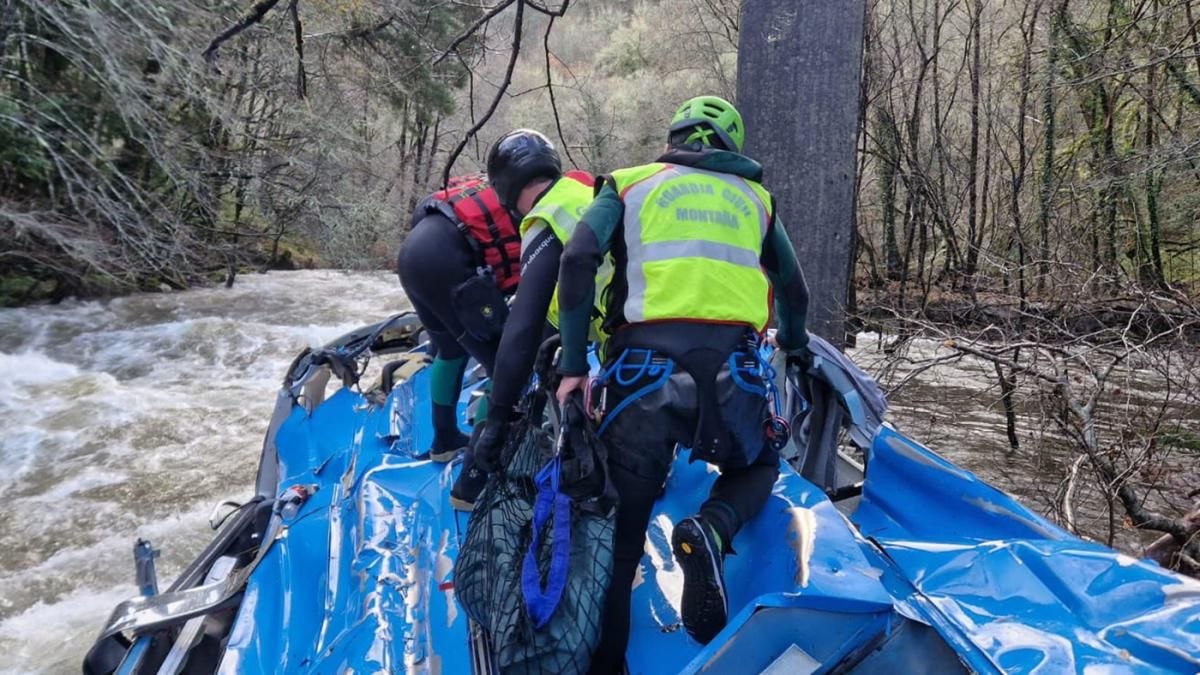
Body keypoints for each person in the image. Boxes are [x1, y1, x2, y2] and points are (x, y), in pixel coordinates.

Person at [553, 95, 811, 672]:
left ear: (673, 138)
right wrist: (793, 344)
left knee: (622, 541)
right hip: (732, 375)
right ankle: (712, 528)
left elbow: (577, 259)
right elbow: (793, 293)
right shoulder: (757, 199)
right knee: (758, 467)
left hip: (641, 379)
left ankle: (607, 665)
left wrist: (574, 364)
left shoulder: (627, 183)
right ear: (732, 147)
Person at [470, 129, 606, 474]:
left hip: (629, 343)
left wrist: (498, 417)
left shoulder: (546, 216)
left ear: (504, 188)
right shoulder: (586, 191)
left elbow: (523, 327)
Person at [397, 174, 521, 510]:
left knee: (450, 349)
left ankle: (445, 440)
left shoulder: (498, 187)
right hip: (446, 264)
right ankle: (470, 487)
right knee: (506, 368)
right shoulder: (548, 210)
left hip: (413, 255)